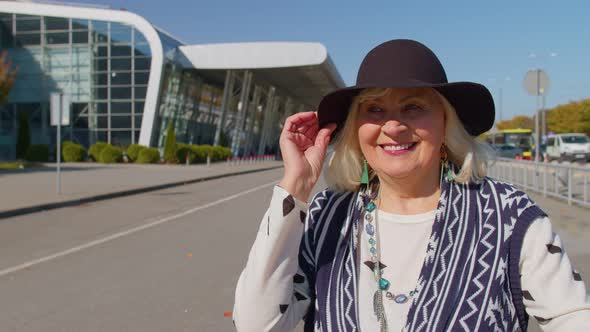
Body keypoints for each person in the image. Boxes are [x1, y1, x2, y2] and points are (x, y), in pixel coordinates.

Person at [233, 39, 590, 331]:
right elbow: (257, 324)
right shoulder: (328, 215)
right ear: (356, 129)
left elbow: (573, 316)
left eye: (414, 107)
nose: (393, 126)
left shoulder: (510, 217)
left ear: (446, 124)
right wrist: (295, 186)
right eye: (374, 109)